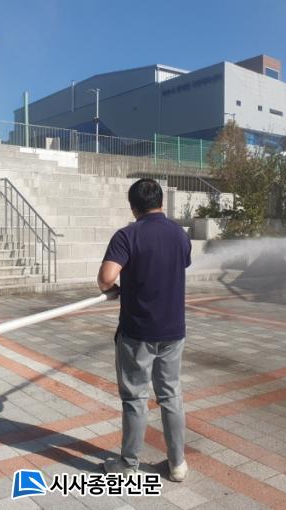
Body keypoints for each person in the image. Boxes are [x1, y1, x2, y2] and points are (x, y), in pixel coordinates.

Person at [97, 178, 191, 482]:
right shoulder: (179, 234)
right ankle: (177, 464)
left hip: (137, 332)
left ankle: (128, 463)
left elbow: (106, 277)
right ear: (161, 202)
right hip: (173, 330)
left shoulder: (127, 235)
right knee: (171, 395)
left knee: (135, 398)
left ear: (133, 206)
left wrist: (112, 289)